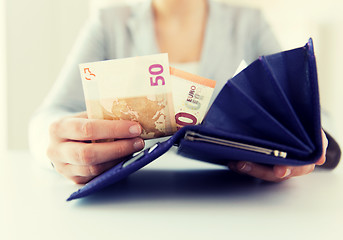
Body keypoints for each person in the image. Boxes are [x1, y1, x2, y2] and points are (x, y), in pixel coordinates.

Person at [29, 0, 328, 184]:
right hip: (134, 200)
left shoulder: (249, 24)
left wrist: (309, 143)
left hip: (234, 199)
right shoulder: (108, 25)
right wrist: (58, 149)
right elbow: (47, 118)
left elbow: (315, 115)